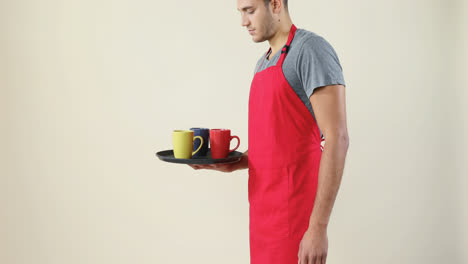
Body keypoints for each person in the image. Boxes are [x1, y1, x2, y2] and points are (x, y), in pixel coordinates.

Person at [189, 0, 349, 263]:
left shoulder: (310, 50)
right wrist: (233, 162)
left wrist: (318, 228)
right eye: (240, 12)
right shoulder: (262, 63)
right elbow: (276, 143)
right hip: (262, 217)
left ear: (275, 4)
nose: (243, 22)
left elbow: (337, 138)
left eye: (250, 11)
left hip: (295, 217)